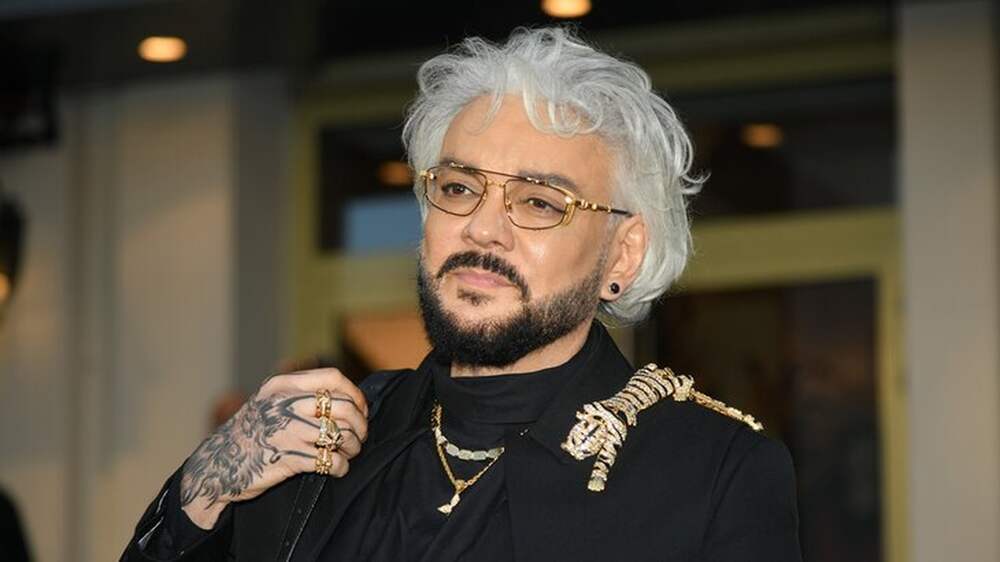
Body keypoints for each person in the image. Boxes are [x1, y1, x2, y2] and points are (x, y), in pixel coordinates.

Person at [120, 27, 801, 561]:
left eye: (539, 202)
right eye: (457, 187)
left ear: (621, 253)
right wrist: (204, 486)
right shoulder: (320, 436)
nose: (482, 227)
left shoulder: (710, 471)